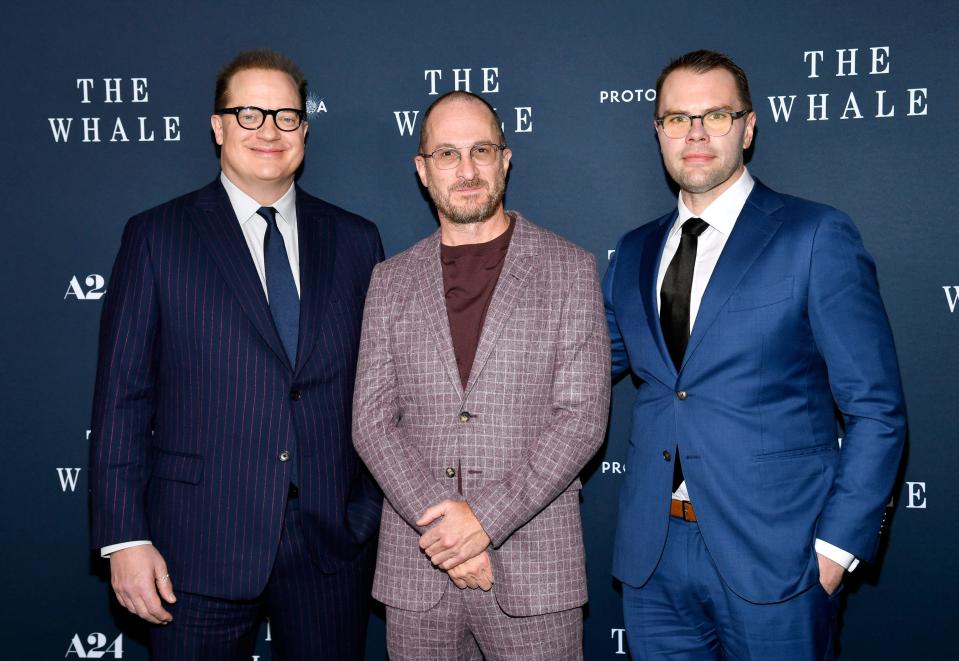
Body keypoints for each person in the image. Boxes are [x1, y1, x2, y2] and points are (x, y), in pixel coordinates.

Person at [604, 50, 906, 659]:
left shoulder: (814, 235)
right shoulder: (632, 253)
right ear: (657, 131)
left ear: (748, 125)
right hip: (653, 559)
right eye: (676, 118)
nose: (695, 134)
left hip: (780, 559)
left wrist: (833, 551)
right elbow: (580, 373)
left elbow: (876, 409)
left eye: (715, 115)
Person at [89, 49, 383, 660]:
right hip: (194, 547)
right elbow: (121, 399)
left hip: (331, 548)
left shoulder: (357, 240)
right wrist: (124, 539)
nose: (268, 130)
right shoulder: (157, 236)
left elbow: (381, 389)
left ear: (305, 129)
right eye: (248, 114)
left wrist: (366, 515)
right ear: (218, 126)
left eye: (285, 115)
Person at [352, 90, 610, 660]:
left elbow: (582, 420)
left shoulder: (570, 269)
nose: (466, 170)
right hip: (419, 574)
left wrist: (485, 522)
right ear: (423, 169)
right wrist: (450, 539)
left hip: (535, 571)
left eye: (481, 151)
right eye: (447, 154)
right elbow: (371, 422)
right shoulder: (390, 281)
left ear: (506, 158)